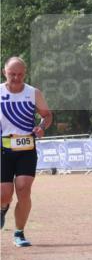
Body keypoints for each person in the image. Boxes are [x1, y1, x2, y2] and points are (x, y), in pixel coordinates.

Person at [1, 56, 53, 247]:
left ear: (25, 74)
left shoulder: (33, 93)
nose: (16, 78)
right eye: (12, 74)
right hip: (2, 149)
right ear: (4, 72)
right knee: (4, 194)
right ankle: (3, 207)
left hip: (26, 148)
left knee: (23, 189)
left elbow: (47, 115)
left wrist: (41, 126)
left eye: (20, 74)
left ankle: (19, 233)